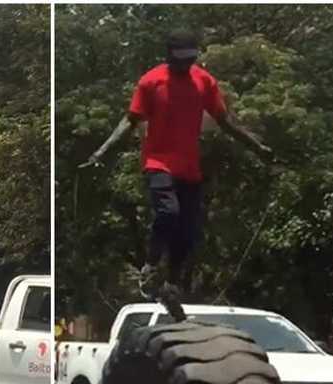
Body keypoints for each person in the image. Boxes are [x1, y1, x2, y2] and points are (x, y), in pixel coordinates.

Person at [81, 30, 273, 298]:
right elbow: (130, 120)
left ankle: (172, 281)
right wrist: (100, 152)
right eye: (180, 60)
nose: (185, 65)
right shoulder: (151, 81)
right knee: (168, 212)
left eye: (190, 59)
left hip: (189, 168)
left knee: (188, 231)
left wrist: (257, 147)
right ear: (169, 56)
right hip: (158, 161)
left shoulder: (204, 81)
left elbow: (225, 121)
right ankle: (150, 264)